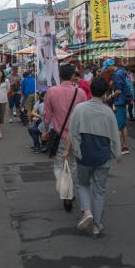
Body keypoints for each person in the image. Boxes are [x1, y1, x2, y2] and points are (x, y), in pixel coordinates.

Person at [69, 77, 122, 236]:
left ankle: (87, 211)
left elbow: (73, 133)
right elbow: (115, 136)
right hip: (103, 155)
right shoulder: (108, 112)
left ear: (90, 90)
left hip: (84, 154)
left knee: (83, 184)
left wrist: (76, 151)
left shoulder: (80, 109)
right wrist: (117, 153)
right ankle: (97, 225)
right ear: (106, 92)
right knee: (99, 191)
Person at [44, 63, 88, 212]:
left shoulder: (51, 91)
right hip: (76, 135)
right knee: (73, 165)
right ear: (72, 76)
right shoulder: (80, 93)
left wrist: (45, 130)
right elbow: (84, 115)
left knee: (59, 165)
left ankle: (65, 191)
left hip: (59, 135)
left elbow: (47, 114)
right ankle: (70, 193)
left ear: (59, 76)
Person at [109, 61, 131, 155]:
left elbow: (118, 90)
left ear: (111, 66)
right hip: (123, 101)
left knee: (118, 126)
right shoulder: (122, 71)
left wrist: (110, 96)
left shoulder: (117, 74)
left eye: (107, 67)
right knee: (123, 125)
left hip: (119, 101)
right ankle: (124, 146)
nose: (107, 70)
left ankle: (119, 147)